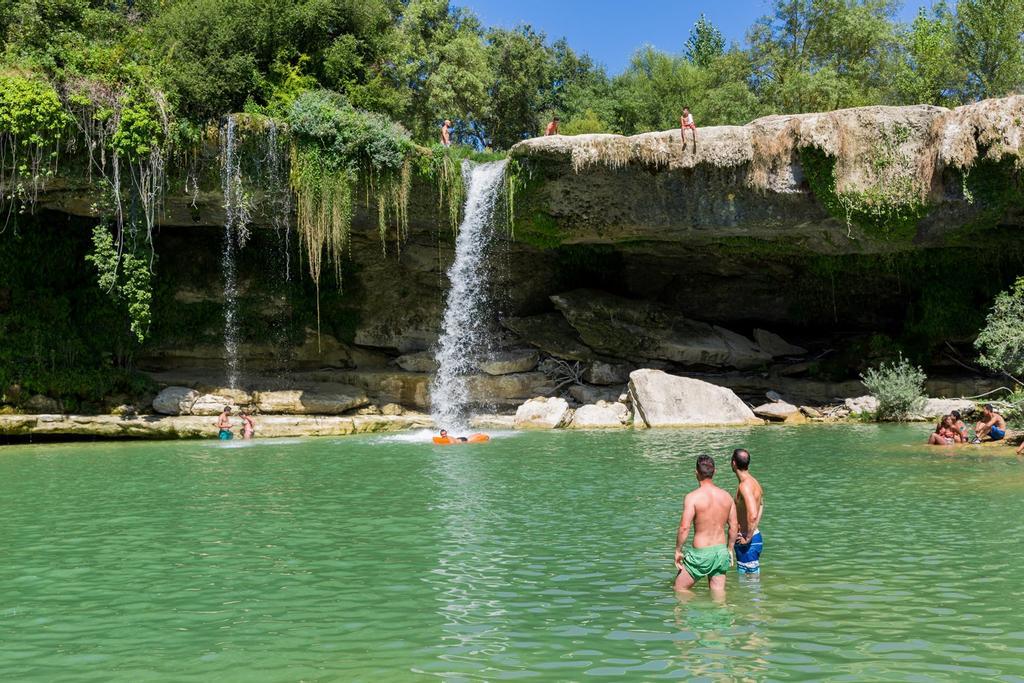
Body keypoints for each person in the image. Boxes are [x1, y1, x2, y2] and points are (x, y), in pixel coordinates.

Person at [674, 454, 738, 593]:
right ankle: (720, 613)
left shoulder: (692, 498)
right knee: (718, 594)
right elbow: (734, 527)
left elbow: (684, 528)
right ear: (714, 471)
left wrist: (678, 550)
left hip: (700, 554)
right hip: (721, 552)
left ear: (696, 472)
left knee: (679, 589)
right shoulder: (726, 496)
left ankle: (698, 608)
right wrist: (729, 550)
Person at [731, 449, 764, 575]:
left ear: (733, 463)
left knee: (749, 586)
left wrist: (748, 537)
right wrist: (754, 529)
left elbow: (753, 514)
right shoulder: (755, 482)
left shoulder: (744, 485)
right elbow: (761, 505)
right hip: (754, 536)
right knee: (751, 584)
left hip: (748, 540)